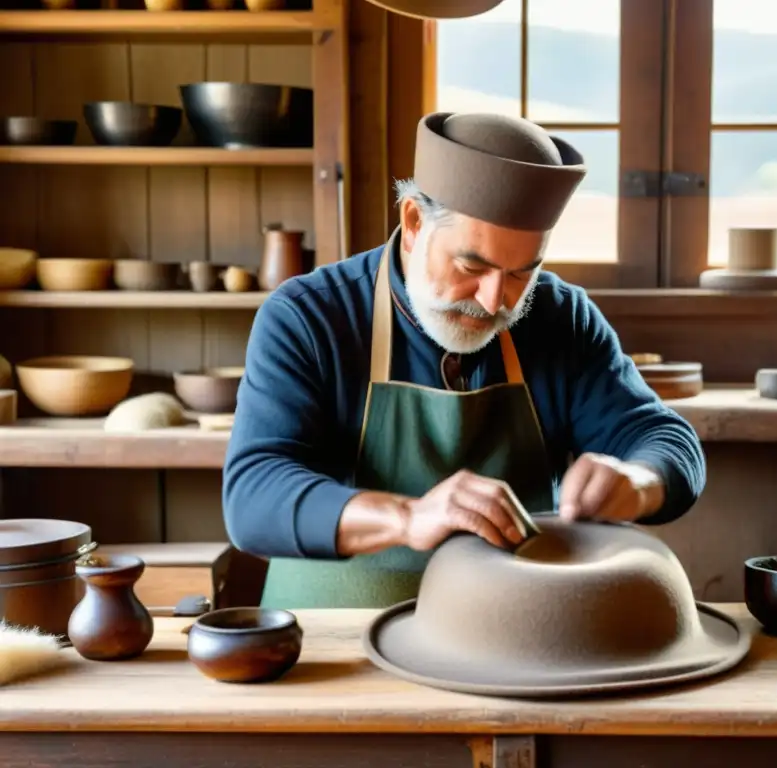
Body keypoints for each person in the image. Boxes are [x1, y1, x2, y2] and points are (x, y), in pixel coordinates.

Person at [222, 112, 707, 609]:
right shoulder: (310, 317)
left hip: (513, 629)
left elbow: (665, 440)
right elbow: (252, 497)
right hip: (334, 638)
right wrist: (407, 518)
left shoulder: (562, 319)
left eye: (523, 271)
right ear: (413, 222)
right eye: (472, 265)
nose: (496, 300)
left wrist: (638, 483)